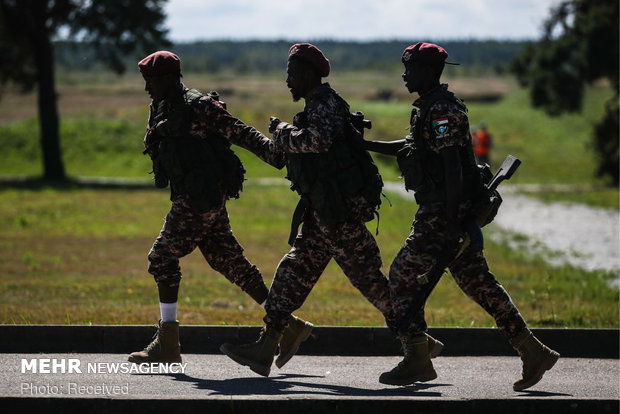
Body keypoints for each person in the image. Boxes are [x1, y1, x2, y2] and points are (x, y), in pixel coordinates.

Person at [217, 43, 443, 377]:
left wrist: (281, 132)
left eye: (293, 74)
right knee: (291, 274)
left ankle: (417, 347)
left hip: (339, 219)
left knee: (373, 286)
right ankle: (266, 347)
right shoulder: (316, 104)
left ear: (309, 74)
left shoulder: (324, 103)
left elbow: (316, 141)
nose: (288, 81)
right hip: (323, 215)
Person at [363, 42, 559, 390]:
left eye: (410, 68)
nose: (405, 74)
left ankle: (417, 356)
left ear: (427, 71)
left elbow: (453, 167)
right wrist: (363, 143)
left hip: (443, 214)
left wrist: (454, 225)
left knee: (402, 277)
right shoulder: (429, 108)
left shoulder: (441, 111)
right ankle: (532, 350)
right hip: (446, 213)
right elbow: (410, 148)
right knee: (479, 284)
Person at [128, 51, 312, 367]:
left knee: (161, 258)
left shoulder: (197, 106)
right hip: (192, 194)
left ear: (171, 78)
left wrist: (275, 154)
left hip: (200, 198)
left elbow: (238, 130)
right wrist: (157, 132)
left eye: (152, 82)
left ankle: (168, 342)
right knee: (229, 262)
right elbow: (157, 141)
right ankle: (289, 325)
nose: (147, 88)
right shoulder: (160, 105)